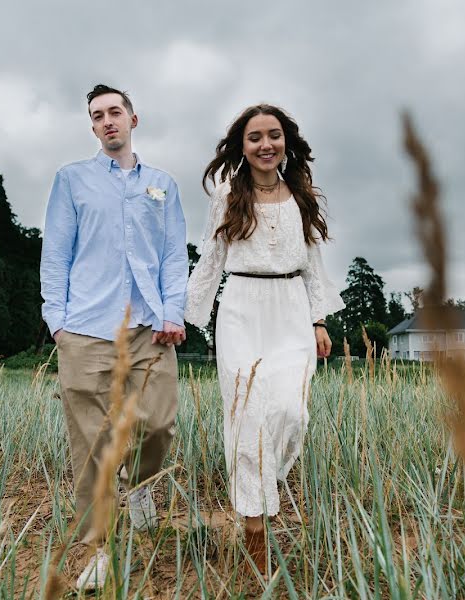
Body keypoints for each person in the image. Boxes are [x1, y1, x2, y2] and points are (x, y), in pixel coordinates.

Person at [184, 104, 344, 575]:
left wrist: (319, 321)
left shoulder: (302, 194)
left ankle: (260, 486)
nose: (265, 144)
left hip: (291, 308)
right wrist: (184, 316)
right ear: (243, 145)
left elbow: (314, 263)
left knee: (290, 411)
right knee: (248, 415)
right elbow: (211, 259)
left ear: (286, 142)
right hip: (240, 309)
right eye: (255, 137)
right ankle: (255, 526)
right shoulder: (228, 194)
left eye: (273, 135)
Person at [40, 84, 188, 591]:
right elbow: (56, 253)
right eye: (97, 115)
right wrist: (56, 321)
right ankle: (97, 546)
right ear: (92, 126)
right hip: (85, 328)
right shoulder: (72, 180)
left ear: (133, 119)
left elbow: (172, 255)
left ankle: (142, 487)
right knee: (92, 444)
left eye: (115, 112)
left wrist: (174, 312)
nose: (107, 121)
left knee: (160, 423)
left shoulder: (163, 185)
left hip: (150, 328)